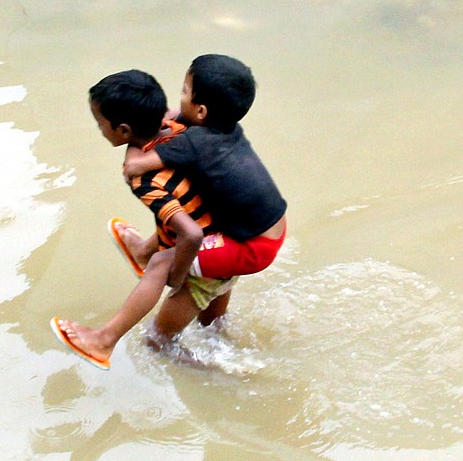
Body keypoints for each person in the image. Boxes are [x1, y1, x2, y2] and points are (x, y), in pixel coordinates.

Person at [50, 69, 235, 370]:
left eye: (100, 124)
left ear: (123, 131)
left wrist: (174, 275)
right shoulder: (180, 126)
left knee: (158, 342)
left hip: (208, 259)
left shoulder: (143, 177)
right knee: (213, 326)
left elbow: (189, 234)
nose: (99, 130)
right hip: (231, 242)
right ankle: (145, 251)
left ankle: (104, 342)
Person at [121, 53, 288, 279]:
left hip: (251, 248)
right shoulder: (226, 127)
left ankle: (155, 278)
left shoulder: (194, 142)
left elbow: (136, 166)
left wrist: (133, 141)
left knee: (163, 262)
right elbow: (174, 115)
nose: (179, 98)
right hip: (271, 229)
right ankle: (144, 251)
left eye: (184, 91)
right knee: (192, 200)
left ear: (201, 111)